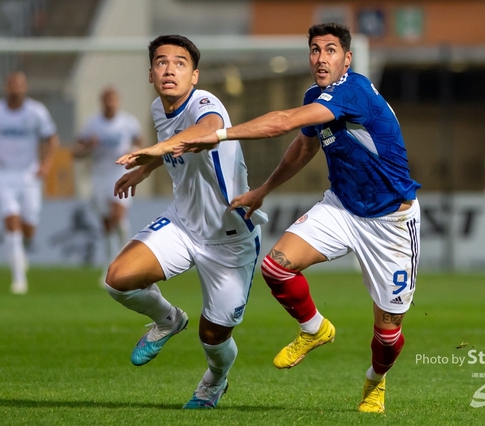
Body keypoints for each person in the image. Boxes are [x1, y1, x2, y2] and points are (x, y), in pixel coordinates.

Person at [175, 22, 421, 414]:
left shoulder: (353, 90)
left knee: (389, 334)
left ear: (347, 59)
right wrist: (263, 190)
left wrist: (219, 135)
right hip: (342, 207)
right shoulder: (315, 97)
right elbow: (304, 148)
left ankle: (375, 381)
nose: (321, 58)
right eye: (315, 50)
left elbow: (283, 122)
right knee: (276, 267)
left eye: (330, 50)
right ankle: (314, 328)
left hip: (391, 222)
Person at [105, 35, 267, 409]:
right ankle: (168, 320)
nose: (169, 69)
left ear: (194, 76)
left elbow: (205, 132)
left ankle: (215, 379)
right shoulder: (159, 108)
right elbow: (175, 144)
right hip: (182, 224)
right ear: (150, 73)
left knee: (213, 338)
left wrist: (154, 150)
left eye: (180, 63)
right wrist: (146, 168)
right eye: (161, 62)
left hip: (229, 238)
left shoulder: (206, 104)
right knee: (118, 279)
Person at [0, 71, 60, 295]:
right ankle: (18, 279)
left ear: (25, 87)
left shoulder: (36, 112)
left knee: (29, 228)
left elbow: (52, 140)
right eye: (11, 84)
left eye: (19, 85)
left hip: (29, 174)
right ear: (6, 87)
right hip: (2, 173)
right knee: (11, 221)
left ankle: (21, 253)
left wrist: (45, 165)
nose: (15, 88)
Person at [72, 87, 143, 280]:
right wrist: (89, 146)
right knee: (107, 224)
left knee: (117, 216)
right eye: (107, 99)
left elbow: (141, 146)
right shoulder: (92, 124)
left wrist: (133, 152)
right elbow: (76, 152)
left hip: (120, 174)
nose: (110, 103)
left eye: (113, 99)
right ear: (102, 102)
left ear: (118, 101)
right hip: (99, 177)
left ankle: (125, 261)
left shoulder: (128, 123)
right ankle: (111, 264)